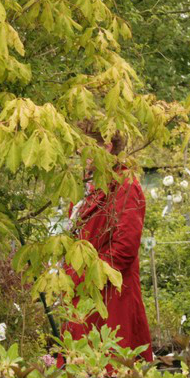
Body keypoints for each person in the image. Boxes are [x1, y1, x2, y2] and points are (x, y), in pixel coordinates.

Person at [60, 126, 153, 364]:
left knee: (110, 374)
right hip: (84, 293)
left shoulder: (125, 186)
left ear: (106, 147)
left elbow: (125, 248)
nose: (79, 152)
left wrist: (88, 275)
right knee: (79, 375)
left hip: (110, 297)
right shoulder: (88, 186)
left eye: (84, 146)